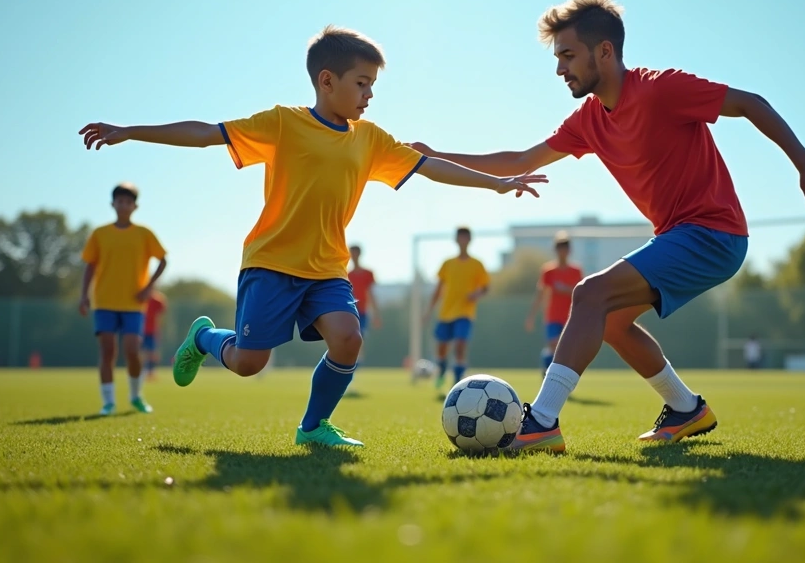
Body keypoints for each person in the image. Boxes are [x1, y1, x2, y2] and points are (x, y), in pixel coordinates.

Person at [411, 0, 805, 452]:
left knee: (590, 293)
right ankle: (686, 409)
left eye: (568, 55)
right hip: (681, 235)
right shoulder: (588, 120)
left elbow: (751, 103)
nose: (560, 68)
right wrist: (435, 156)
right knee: (613, 321)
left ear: (604, 51)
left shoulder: (662, 88)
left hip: (714, 233)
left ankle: (540, 421)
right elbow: (519, 158)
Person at [79, 25, 545, 447]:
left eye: (372, 86)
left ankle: (312, 427)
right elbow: (206, 133)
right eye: (362, 84)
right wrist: (128, 132)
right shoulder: (283, 123)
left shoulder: (370, 138)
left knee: (348, 339)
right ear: (327, 81)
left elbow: (429, 167)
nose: (368, 95)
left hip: (326, 268)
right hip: (271, 264)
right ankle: (203, 339)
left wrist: (497, 183)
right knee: (248, 363)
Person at [79, 183, 167, 415]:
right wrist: (83, 296)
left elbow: (163, 260)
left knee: (131, 349)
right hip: (104, 302)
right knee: (107, 351)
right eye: (120, 201)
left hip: (133, 304)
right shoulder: (100, 234)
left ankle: (136, 396)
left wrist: (148, 288)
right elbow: (89, 266)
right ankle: (108, 401)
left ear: (134, 206)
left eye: (128, 201)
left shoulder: (144, 234)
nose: (124, 205)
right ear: (113, 204)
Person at [423, 227, 489, 390]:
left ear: (470, 240)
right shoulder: (448, 263)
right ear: (456, 240)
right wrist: (429, 311)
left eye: (466, 237)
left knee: (460, 346)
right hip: (446, 312)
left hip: (465, 312)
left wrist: (476, 294)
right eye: (460, 237)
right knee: (442, 349)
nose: (463, 240)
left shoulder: (477, 264)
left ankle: (458, 382)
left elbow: (485, 287)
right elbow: (438, 289)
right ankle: (442, 371)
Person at [526, 232, 583, 377]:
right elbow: (540, 293)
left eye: (565, 246)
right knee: (553, 344)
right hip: (553, 315)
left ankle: (560, 377)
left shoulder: (576, 270)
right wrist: (531, 316)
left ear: (569, 250)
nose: (562, 250)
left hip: (571, 316)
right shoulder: (548, 271)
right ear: (555, 249)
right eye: (559, 247)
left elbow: (581, 292)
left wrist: (566, 289)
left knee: (567, 349)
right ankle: (547, 372)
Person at [347, 245, 380, 336]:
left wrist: (375, 314)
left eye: (355, 253)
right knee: (351, 338)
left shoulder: (368, 274)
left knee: (360, 337)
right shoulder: (347, 275)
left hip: (363, 311)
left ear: (359, 254)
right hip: (351, 311)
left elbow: (371, 293)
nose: (353, 256)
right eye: (351, 253)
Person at [141, 290, 167, 381]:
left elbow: (162, 309)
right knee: (141, 353)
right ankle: (142, 371)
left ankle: (151, 371)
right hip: (140, 330)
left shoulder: (157, 300)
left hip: (152, 331)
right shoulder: (141, 298)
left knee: (152, 353)